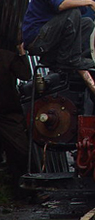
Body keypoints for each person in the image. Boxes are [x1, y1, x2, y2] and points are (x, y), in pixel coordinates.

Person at [0, 44, 32, 194]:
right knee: (20, 152)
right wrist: (21, 53)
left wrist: (20, 53)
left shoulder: (7, 56)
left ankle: (21, 190)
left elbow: (25, 75)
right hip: (7, 112)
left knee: (19, 152)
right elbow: (26, 74)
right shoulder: (7, 56)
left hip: (7, 113)